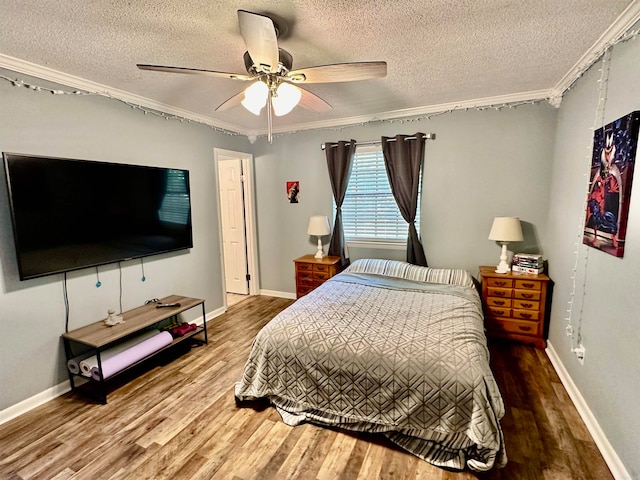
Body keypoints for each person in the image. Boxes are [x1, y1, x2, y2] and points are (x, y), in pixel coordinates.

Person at [586, 131, 621, 248]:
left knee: (610, 217)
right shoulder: (600, 170)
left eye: (609, 152)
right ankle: (595, 236)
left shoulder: (614, 170)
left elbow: (616, 188)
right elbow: (594, 186)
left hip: (608, 199)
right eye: (606, 153)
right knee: (595, 214)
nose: (607, 155)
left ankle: (613, 237)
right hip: (598, 197)